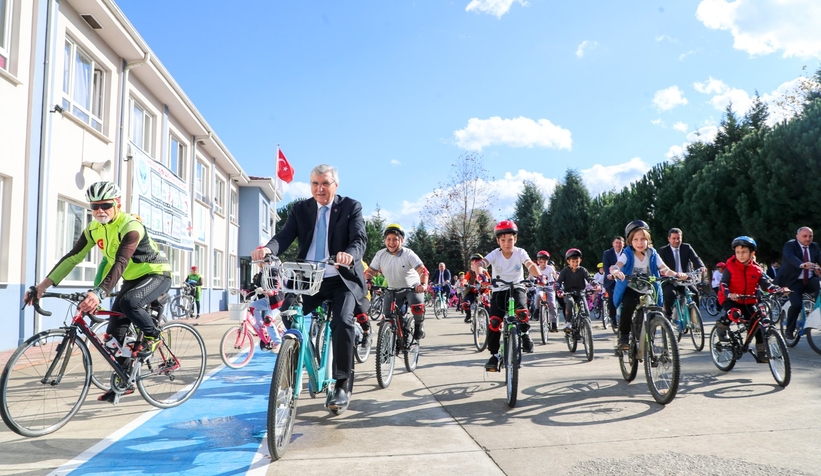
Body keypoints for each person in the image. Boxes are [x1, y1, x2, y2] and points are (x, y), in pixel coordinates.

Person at [25, 181, 172, 402]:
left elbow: (121, 262)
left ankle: (154, 336)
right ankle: (124, 382)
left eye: (105, 205)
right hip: (132, 279)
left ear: (118, 204)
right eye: (94, 207)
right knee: (114, 336)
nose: (100, 211)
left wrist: (99, 293)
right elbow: (73, 257)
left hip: (155, 274)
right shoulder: (93, 229)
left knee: (129, 303)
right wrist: (41, 286)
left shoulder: (130, 226)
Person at [251, 164, 367, 412]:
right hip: (307, 279)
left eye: (325, 183)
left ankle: (342, 384)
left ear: (335, 185)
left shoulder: (350, 207)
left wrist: (348, 254)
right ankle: (294, 365)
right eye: (315, 183)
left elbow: (359, 239)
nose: (320, 188)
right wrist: (268, 249)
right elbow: (284, 236)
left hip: (340, 278)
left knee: (342, 321)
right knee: (288, 314)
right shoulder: (301, 209)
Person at [476, 220, 544, 371]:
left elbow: (530, 265)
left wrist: (539, 276)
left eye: (510, 240)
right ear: (498, 241)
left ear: (516, 240)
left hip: (517, 288)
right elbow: (480, 264)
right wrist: (481, 275)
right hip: (499, 290)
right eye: (503, 240)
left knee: (522, 313)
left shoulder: (520, 252)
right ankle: (494, 355)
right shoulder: (495, 254)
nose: (507, 243)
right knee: (494, 322)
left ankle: (525, 333)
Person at [610, 220, 688, 350]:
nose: (639, 243)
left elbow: (664, 268)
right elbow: (617, 265)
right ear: (630, 241)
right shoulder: (627, 253)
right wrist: (615, 271)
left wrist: (676, 274)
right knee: (628, 305)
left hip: (649, 289)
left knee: (655, 311)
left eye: (643, 239)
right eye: (635, 239)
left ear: (648, 240)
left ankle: (649, 336)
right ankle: (623, 337)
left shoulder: (652, 253)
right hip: (631, 287)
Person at [716, 236, 787, 361]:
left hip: (749, 300)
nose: (740, 255)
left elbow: (766, 284)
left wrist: (777, 290)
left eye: (744, 252)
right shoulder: (730, 267)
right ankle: (721, 327)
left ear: (752, 253)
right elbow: (723, 284)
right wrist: (729, 294)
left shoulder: (757, 269)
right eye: (738, 252)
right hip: (730, 299)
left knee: (758, 323)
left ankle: (762, 353)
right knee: (735, 314)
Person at [364, 224, 429, 340]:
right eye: (388, 239)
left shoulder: (408, 254)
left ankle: (419, 325)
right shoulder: (380, 254)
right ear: (385, 240)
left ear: (402, 241)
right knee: (388, 317)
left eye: (395, 239)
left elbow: (423, 270)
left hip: (412, 288)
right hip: (392, 289)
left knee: (417, 307)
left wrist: (423, 285)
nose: (391, 242)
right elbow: (369, 271)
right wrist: (368, 281)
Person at [777, 226, 821, 339]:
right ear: (797, 237)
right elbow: (790, 257)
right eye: (805, 236)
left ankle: (818, 312)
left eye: (810, 236)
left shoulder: (814, 246)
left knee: (819, 285)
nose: (808, 239)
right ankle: (789, 330)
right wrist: (802, 264)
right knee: (796, 305)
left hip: (810, 280)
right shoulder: (790, 245)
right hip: (794, 281)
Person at [657, 228, 706, 320]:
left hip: (686, 279)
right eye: (674, 238)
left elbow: (695, 258)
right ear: (669, 239)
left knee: (694, 293)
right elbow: (661, 267)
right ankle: (668, 315)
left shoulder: (686, 247)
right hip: (670, 280)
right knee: (669, 294)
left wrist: (701, 266)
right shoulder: (663, 250)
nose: (676, 241)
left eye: (678, 238)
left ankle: (695, 319)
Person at [250, 261, 285, 352]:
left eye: (261, 262)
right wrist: (243, 291)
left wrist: (272, 291)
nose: (259, 264)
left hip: (277, 302)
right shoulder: (262, 272)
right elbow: (255, 287)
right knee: (252, 306)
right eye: (258, 262)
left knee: (268, 319)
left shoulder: (273, 270)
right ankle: (263, 328)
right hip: (267, 300)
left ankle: (278, 343)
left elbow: (277, 284)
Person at [556, 249, 593, 333]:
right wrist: (559, 290)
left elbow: (589, 278)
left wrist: (595, 284)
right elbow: (558, 282)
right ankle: (568, 322)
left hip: (580, 292)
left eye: (577, 261)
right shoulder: (564, 271)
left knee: (585, 310)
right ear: (568, 261)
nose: (575, 264)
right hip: (568, 293)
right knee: (570, 302)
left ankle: (587, 327)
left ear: (580, 261)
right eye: (573, 261)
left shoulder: (582, 270)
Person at [531, 250, 559, 332]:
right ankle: (536, 309)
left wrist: (557, 281)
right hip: (540, 287)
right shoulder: (536, 269)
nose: (543, 263)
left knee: (552, 304)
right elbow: (531, 277)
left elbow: (555, 275)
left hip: (549, 287)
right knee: (538, 296)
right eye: (542, 262)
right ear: (538, 262)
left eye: (545, 262)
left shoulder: (550, 268)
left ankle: (553, 323)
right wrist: (530, 282)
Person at [601, 236, 625, 329]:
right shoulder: (607, 253)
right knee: (613, 296)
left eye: (620, 243)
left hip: (623, 279)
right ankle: (613, 318)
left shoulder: (626, 252)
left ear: (624, 244)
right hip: (611, 280)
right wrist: (609, 274)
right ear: (613, 244)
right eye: (617, 242)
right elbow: (606, 265)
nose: (618, 245)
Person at [462, 253, 491, 324]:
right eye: (472, 264)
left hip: (483, 292)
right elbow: (465, 279)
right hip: (472, 291)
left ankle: (489, 320)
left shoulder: (485, 272)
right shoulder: (470, 273)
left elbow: (489, 281)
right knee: (466, 303)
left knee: (487, 305)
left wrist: (485, 292)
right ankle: (468, 316)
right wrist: (464, 283)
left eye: (476, 263)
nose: (474, 266)